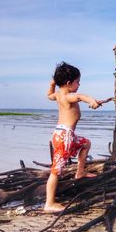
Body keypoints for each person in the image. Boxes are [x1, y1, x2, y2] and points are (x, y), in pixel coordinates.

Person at [44, 61, 99, 213]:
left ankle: (80, 172)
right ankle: (49, 203)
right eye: (77, 82)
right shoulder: (68, 96)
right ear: (69, 83)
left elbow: (49, 95)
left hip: (63, 135)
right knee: (55, 171)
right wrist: (91, 101)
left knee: (86, 143)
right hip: (64, 138)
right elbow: (81, 96)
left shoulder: (58, 94)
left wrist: (52, 84)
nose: (79, 84)